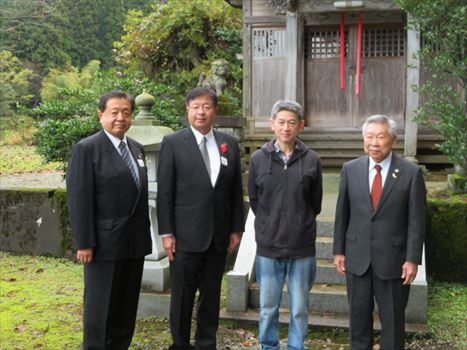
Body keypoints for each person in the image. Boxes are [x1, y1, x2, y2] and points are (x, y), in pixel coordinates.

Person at [157, 87, 245, 349]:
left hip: (218, 237)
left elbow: (234, 190)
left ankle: (206, 342)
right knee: (182, 296)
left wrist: (236, 229)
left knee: (211, 295)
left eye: (206, 106)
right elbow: (165, 192)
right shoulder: (173, 143)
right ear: (187, 109)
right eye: (196, 106)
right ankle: (180, 343)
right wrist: (166, 233)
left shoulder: (228, 144)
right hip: (184, 236)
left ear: (215, 110)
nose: (201, 112)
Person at [66, 91, 152, 349]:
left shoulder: (136, 148)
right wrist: (84, 243)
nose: (121, 118)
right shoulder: (87, 149)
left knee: (126, 309)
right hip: (103, 244)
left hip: (134, 243)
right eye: (114, 112)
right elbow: (79, 199)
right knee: (100, 309)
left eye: (126, 112)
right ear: (101, 115)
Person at [333, 115, 426, 350]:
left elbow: (417, 220)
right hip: (357, 258)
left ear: (393, 140)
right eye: (369, 136)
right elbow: (342, 214)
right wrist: (338, 251)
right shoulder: (350, 169)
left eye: (380, 137)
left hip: (394, 262)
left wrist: (412, 259)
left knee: (393, 324)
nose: (374, 142)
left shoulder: (410, 172)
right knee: (358, 322)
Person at [248, 100, 323, 350]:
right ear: (272, 125)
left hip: (301, 248)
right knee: (268, 308)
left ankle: (296, 346)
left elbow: (316, 203)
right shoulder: (259, 158)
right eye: (281, 122)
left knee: (299, 308)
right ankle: (268, 346)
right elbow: (256, 201)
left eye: (292, 122)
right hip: (268, 248)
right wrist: (270, 224)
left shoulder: (312, 160)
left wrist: (298, 222)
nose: (286, 127)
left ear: (300, 125)